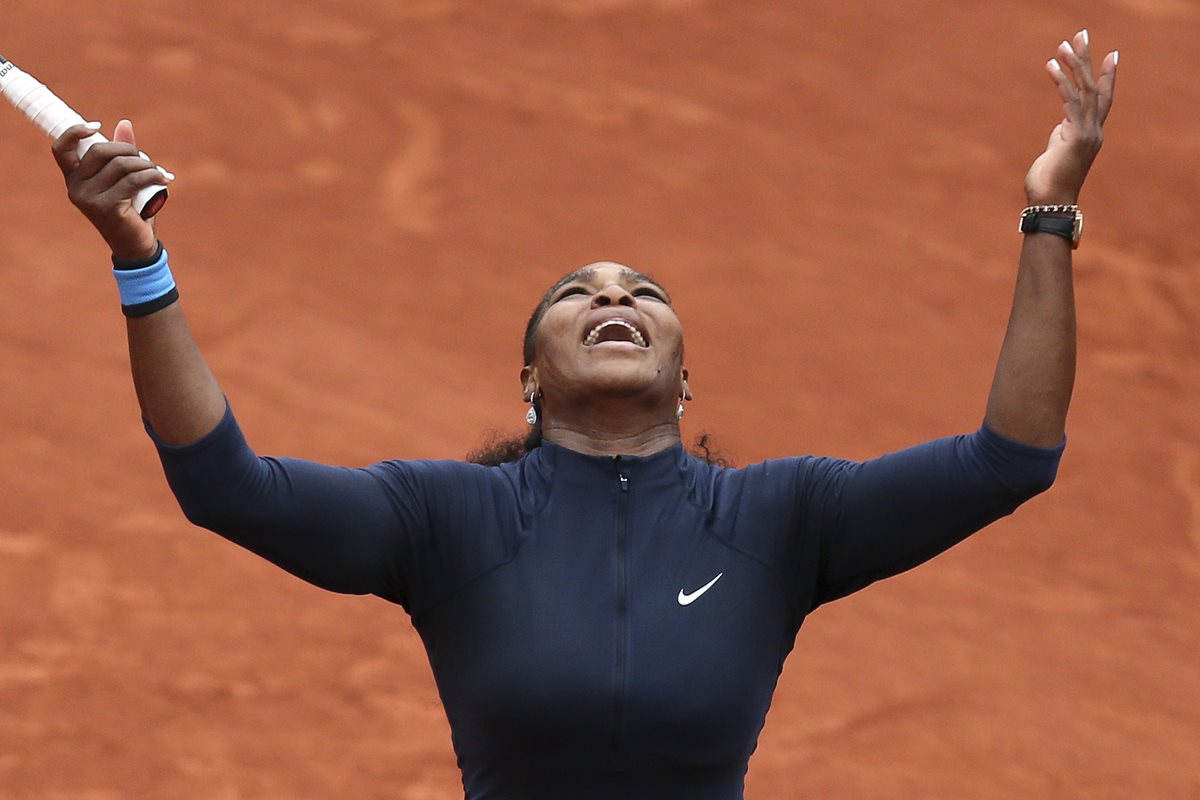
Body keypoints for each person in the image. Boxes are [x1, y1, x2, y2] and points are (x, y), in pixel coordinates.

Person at [50, 30, 1117, 800]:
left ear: (685, 377)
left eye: (644, 291)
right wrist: (141, 262)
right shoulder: (443, 519)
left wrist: (1051, 209)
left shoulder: (785, 517)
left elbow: (1011, 458)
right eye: (578, 292)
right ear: (530, 377)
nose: (615, 296)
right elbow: (225, 485)